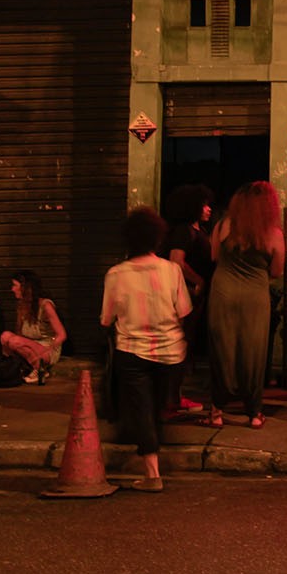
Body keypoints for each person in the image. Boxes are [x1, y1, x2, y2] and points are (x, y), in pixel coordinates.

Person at [100, 206, 192, 492]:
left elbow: (106, 318)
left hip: (132, 351)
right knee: (154, 405)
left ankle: (153, 474)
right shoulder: (172, 270)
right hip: (170, 352)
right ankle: (153, 444)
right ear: (157, 238)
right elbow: (184, 310)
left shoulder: (116, 274)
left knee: (141, 408)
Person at [204, 182, 285, 429]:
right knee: (254, 353)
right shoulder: (274, 234)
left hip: (223, 293)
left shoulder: (222, 226)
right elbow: (277, 271)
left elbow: (214, 257)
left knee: (222, 351)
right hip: (255, 297)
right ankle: (254, 413)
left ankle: (217, 411)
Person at [162, 183, 215, 413]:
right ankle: (173, 397)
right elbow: (176, 261)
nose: (209, 209)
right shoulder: (183, 231)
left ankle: (174, 395)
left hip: (195, 297)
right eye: (204, 205)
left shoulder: (199, 231)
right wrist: (199, 281)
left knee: (186, 345)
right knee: (180, 344)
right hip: (185, 296)